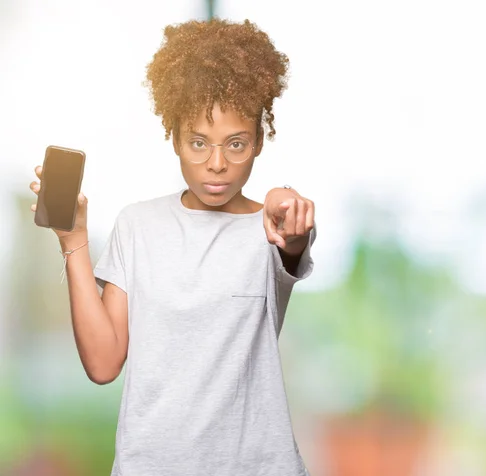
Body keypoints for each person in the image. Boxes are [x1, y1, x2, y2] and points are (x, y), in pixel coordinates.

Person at [29, 18, 316, 476]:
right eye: (198, 143)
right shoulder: (138, 225)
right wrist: (74, 239)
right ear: (174, 138)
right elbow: (103, 364)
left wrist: (288, 205)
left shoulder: (270, 228)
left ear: (260, 141)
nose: (216, 164)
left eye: (236, 144)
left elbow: (291, 236)